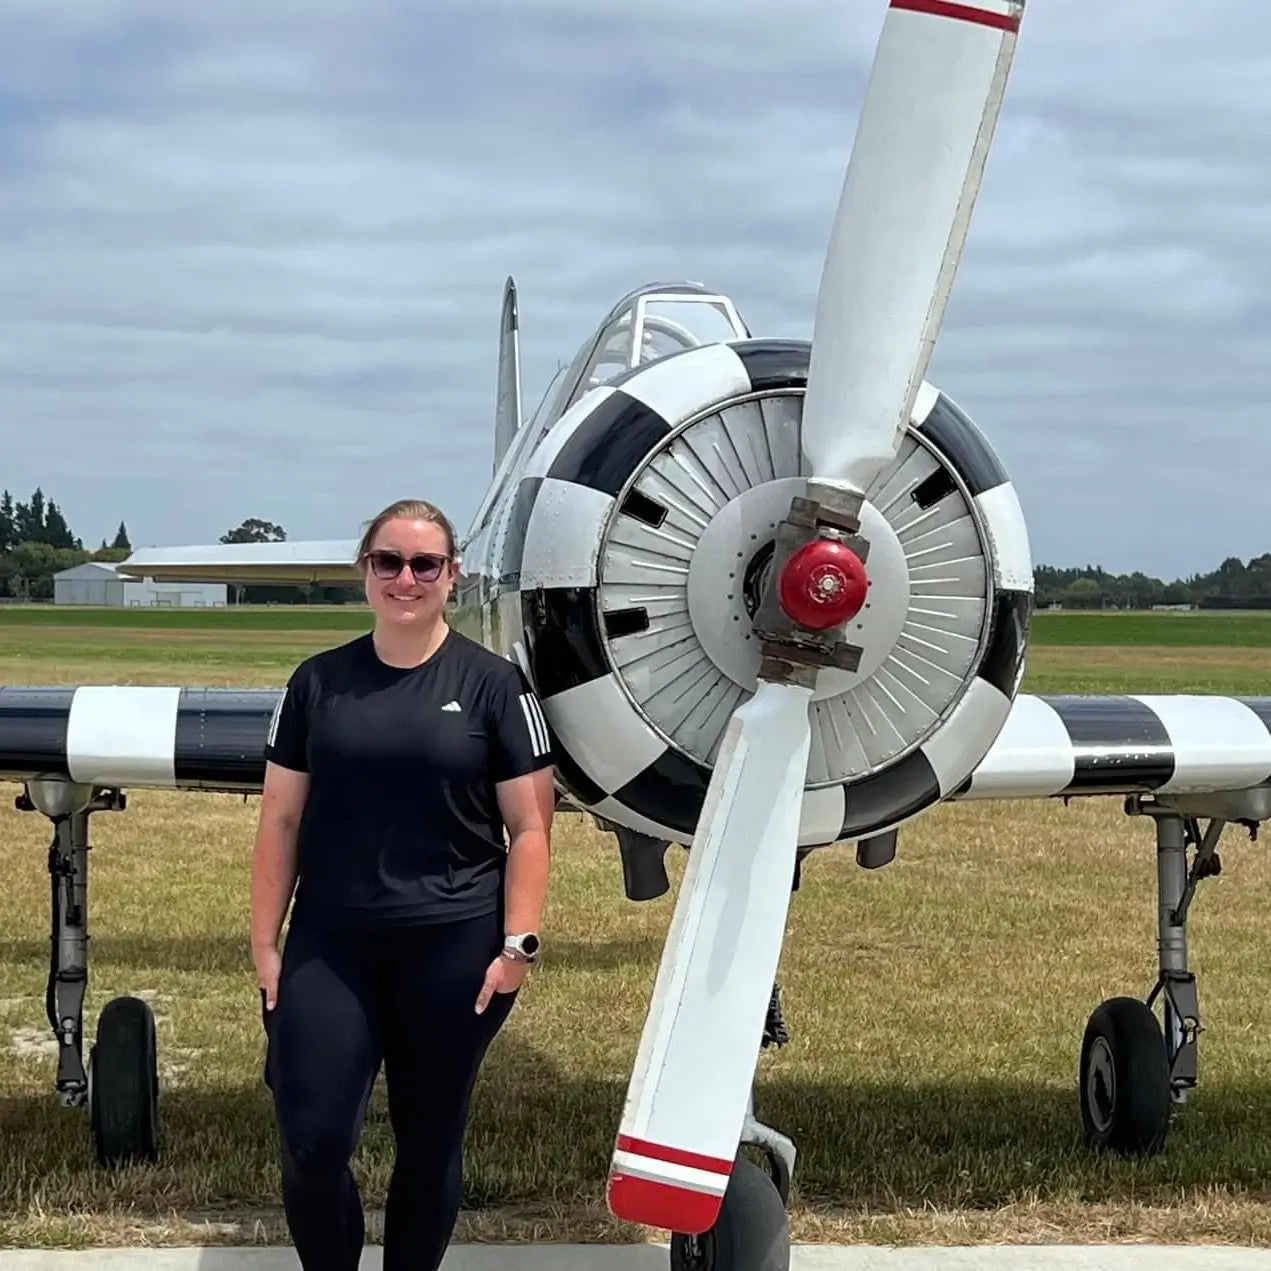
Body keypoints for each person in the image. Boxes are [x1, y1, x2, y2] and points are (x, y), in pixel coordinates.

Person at [248, 497, 555, 1271]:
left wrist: (517, 943)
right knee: (312, 1137)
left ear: (452, 576)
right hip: (332, 943)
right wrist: (263, 942)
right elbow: (280, 819)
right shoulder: (316, 684)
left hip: (454, 946)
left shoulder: (495, 688)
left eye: (425, 563)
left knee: (430, 1136)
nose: (406, 577)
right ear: (365, 573)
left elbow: (530, 827)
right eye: (388, 561)